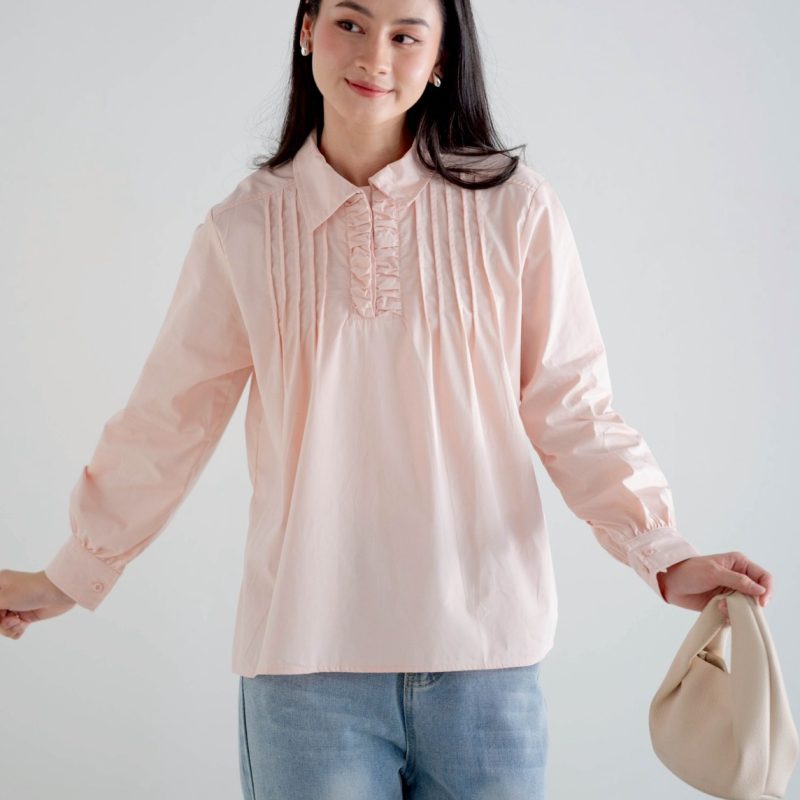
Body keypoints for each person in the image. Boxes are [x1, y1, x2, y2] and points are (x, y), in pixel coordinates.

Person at [0, 0, 774, 797]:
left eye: (406, 35)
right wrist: (70, 574)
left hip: (487, 665)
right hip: (306, 669)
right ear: (307, 28)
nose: (375, 54)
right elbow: (168, 423)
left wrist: (662, 552)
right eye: (350, 23)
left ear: (441, 59)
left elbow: (573, 409)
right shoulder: (244, 229)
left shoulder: (516, 209)